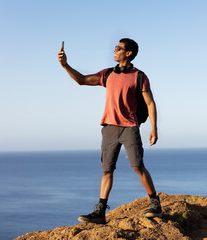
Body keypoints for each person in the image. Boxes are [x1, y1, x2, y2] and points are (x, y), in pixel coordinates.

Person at [58, 38, 161, 224]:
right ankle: (100, 212)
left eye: (118, 48)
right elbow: (81, 80)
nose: (114, 50)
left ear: (128, 53)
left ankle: (155, 203)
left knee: (137, 166)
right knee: (107, 170)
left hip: (130, 127)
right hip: (109, 128)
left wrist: (154, 128)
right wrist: (66, 65)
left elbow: (150, 102)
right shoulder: (108, 74)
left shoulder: (139, 76)